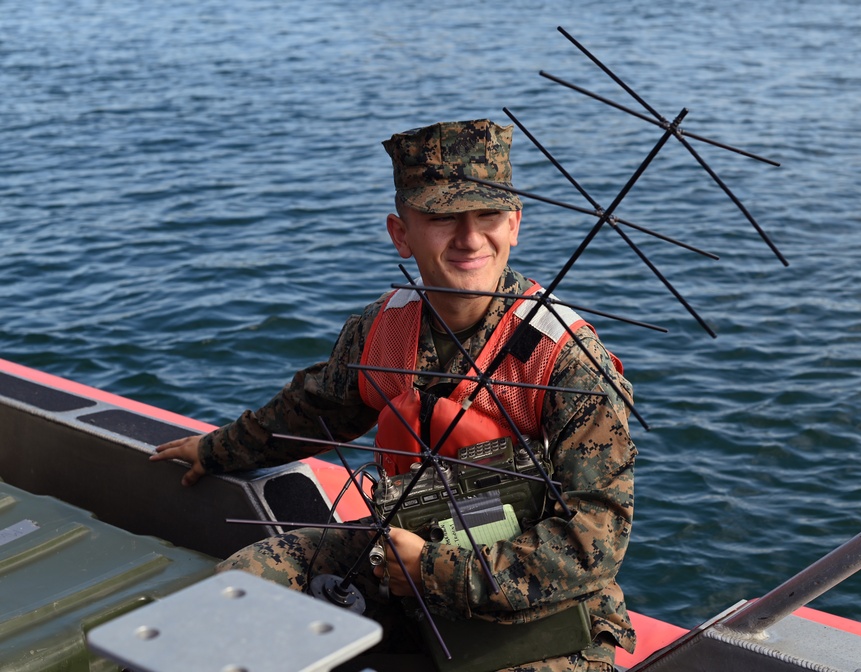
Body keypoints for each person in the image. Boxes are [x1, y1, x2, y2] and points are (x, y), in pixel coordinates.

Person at [152, 119, 637, 672]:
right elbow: (311, 412)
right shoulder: (385, 330)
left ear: (515, 224)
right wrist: (215, 451)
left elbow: (593, 543)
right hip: (404, 554)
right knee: (246, 584)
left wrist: (433, 569)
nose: (470, 238)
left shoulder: (564, 360)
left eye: (488, 216)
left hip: (535, 606)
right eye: (441, 218)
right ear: (401, 234)